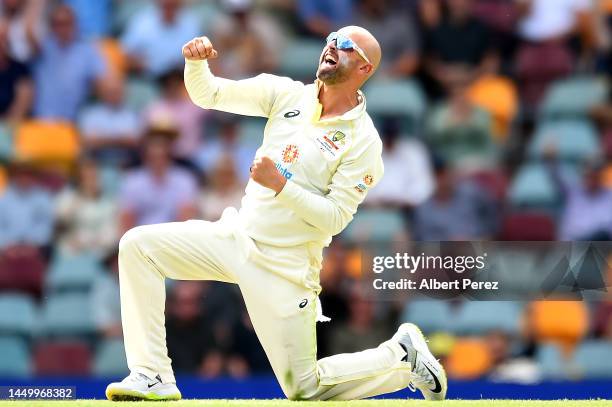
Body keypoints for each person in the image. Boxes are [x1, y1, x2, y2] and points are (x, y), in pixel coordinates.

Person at [106, 26, 447, 402]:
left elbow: (334, 218)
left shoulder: (363, 141)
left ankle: (399, 355)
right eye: (332, 39)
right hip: (236, 238)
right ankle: (152, 375)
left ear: (365, 70)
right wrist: (195, 64)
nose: (333, 46)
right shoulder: (286, 93)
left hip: (285, 267)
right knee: (138, 246)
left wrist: (280, 184)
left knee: (304, 388)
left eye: (346, 46)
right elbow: (210, 94)